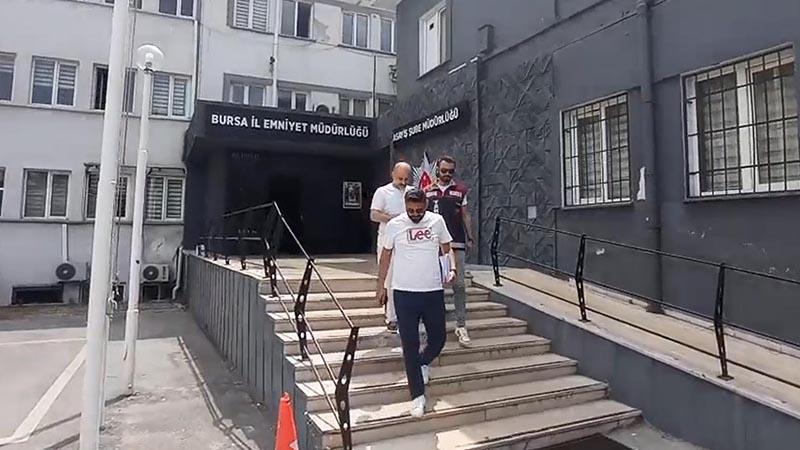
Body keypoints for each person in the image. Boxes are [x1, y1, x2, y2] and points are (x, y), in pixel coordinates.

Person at [375, 188, 457, 418]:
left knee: (439, 339)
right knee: (409, 345)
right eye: (410, 210)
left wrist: (452, 268)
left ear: (425, 205)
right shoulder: (395, 225)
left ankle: (422, 363)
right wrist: (380, 286)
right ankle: (417, 396)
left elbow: (447, 248)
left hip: (432, 291)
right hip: (404, 293)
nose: (415, 214)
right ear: (405, 206)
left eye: (419, 210)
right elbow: (385, 256)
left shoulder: (436, 221)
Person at [424, 155, 476, 347]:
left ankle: (461, 325)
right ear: (437, 170)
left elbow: (465, 214)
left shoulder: (460, 191)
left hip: (456, 242)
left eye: (451, 171)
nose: (447, 174)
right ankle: (434, 325)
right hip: (434, 245)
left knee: (459, 285)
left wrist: (470, 236)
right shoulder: (428, 192)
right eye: (444, 170)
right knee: (434, 285)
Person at [370, 162, 412, 333]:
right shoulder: (382, 192)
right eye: (400, 178)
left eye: (406, 179)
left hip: (408, 241)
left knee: (406, 278)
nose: (403, 182)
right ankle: (391, 317)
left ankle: (406, 314)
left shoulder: (412, 192)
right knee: (390, 279)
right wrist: (394, 219)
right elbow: (374, 214)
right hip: (388, 239)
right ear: (393, 174)